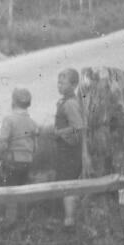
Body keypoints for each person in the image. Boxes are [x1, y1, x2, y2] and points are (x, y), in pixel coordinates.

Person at [39, 68, 86, 228]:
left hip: (70, 151)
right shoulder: (65, 102)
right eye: (58, 82)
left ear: (73, 85)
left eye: (63, 83)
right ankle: (66, 217)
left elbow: (79, 127)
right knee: (64, 181)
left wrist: (58, 132)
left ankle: (69, 220)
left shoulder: (71, 104)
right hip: (65, 150)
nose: (59, 85)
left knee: (68, 183)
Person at [0, 87, 38, 221]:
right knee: (22, 189)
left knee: (11, 190)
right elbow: (36, 146)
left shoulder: (9, 120)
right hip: (27, 160)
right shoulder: (32, 123)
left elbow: (2, 143)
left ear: (13, 102)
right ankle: (23, 219)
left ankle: (10, 221)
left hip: (13, 160)